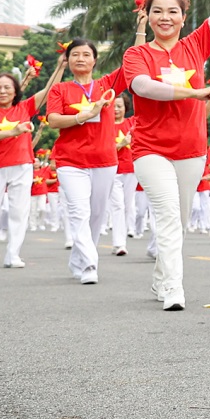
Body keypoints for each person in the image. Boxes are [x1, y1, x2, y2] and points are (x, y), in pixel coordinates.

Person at [123, 0, 210, 311]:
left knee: (179, 218)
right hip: (150, 149)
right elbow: (143, 87)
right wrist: (193, 93)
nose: (165, 17)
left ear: (183, 16)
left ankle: (162, 277)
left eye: (172, 11)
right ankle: (175, 288)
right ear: (147, 16)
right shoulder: (137, 55)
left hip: (190, 150)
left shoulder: (196, 45)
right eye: (157, 11)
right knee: (166, 216)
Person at [45, 38, 127, 284]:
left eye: (85, 55)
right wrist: (85, 115)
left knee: (96, 215)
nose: (80, 59)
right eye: (75, 55)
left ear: (94, 60)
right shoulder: (60, 89)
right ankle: (90, 264)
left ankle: (79, 260)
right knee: (79, 211)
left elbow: (132, 60)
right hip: (71, 159)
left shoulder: (107, 85)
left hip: (104, 159)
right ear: (67, 60)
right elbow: (54, 120)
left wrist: (142, 26)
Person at [0, 63, 58, 267]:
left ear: (15, 91)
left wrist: (61, 66)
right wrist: (12, 132)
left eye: (7, 87)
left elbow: (50, 89)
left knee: (19, 212)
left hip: (21, 165)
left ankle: (13, 254)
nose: (3, 91)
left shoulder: (24, 107)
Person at [107, 97, 135, 256]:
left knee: (127, 205)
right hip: (113, 170)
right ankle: (119, 244)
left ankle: (121, 238)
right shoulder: (105, 126)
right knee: (117, 206)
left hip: (131, 169)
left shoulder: (131, 123)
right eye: (113, 106)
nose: (116, 109)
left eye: (119, 106)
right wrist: (120, 144)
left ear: (126, 107)